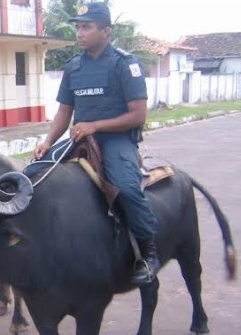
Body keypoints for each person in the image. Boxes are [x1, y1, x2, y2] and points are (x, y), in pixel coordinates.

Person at [33, 2, 159, 285]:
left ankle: (149, 254)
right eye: (78, 27)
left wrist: (95, 125)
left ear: (106, 31)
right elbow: (64, 112)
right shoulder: (73, 66)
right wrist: (47, 142)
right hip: (78, 138)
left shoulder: (125, 64)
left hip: (115, 142)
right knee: (31, 177)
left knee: (127, 190)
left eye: (86, 27)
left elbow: (138, 115)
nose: (79, 33)